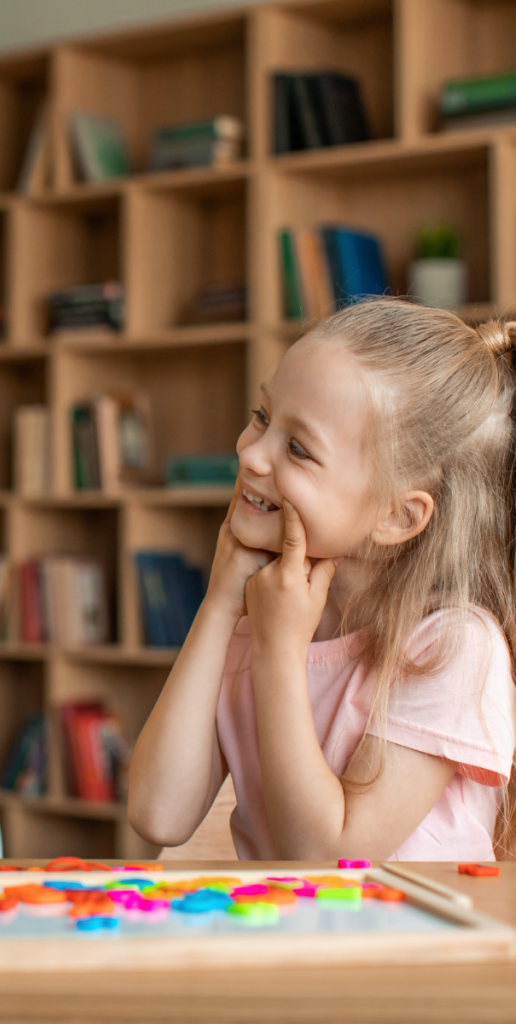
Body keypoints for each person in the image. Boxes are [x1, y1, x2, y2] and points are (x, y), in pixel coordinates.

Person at [129, 299, 516, 861]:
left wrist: (280, 651)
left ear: (396, 517)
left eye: (298, 449)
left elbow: (331, 860)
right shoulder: (265, 609)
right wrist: (218, 605)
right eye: (262, 416)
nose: (250, 453)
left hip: (410, 946)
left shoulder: (453, 647)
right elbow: (157, 813)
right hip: (292, 942)